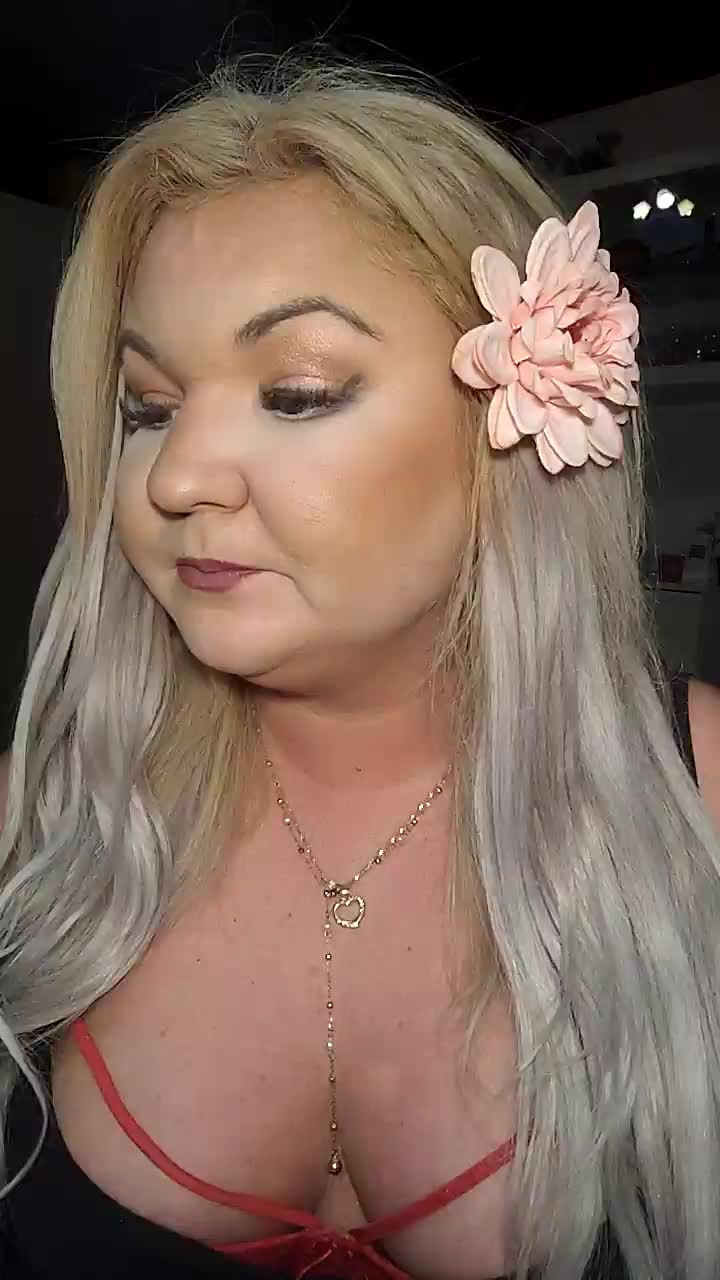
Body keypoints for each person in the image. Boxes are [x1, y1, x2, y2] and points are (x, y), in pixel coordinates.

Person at [1, 57, 720, 1280]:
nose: (178, 476)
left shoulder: (697, 795)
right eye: (147, 407)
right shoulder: (39, 822)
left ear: (516, 424)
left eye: (296, 392)